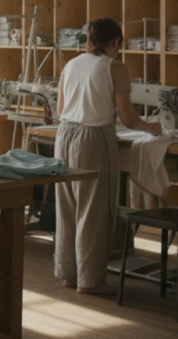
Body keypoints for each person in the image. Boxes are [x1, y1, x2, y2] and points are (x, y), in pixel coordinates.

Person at [54, 18, 162, 294]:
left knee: (67, 207)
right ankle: (90, 281)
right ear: (115, 42)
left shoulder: (71, 64)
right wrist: (153, 128)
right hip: (93, 139)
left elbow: (61, 109)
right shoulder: (116, 67)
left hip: (64, 134)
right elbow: (127, 118)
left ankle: (68, 275)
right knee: (94, 210)